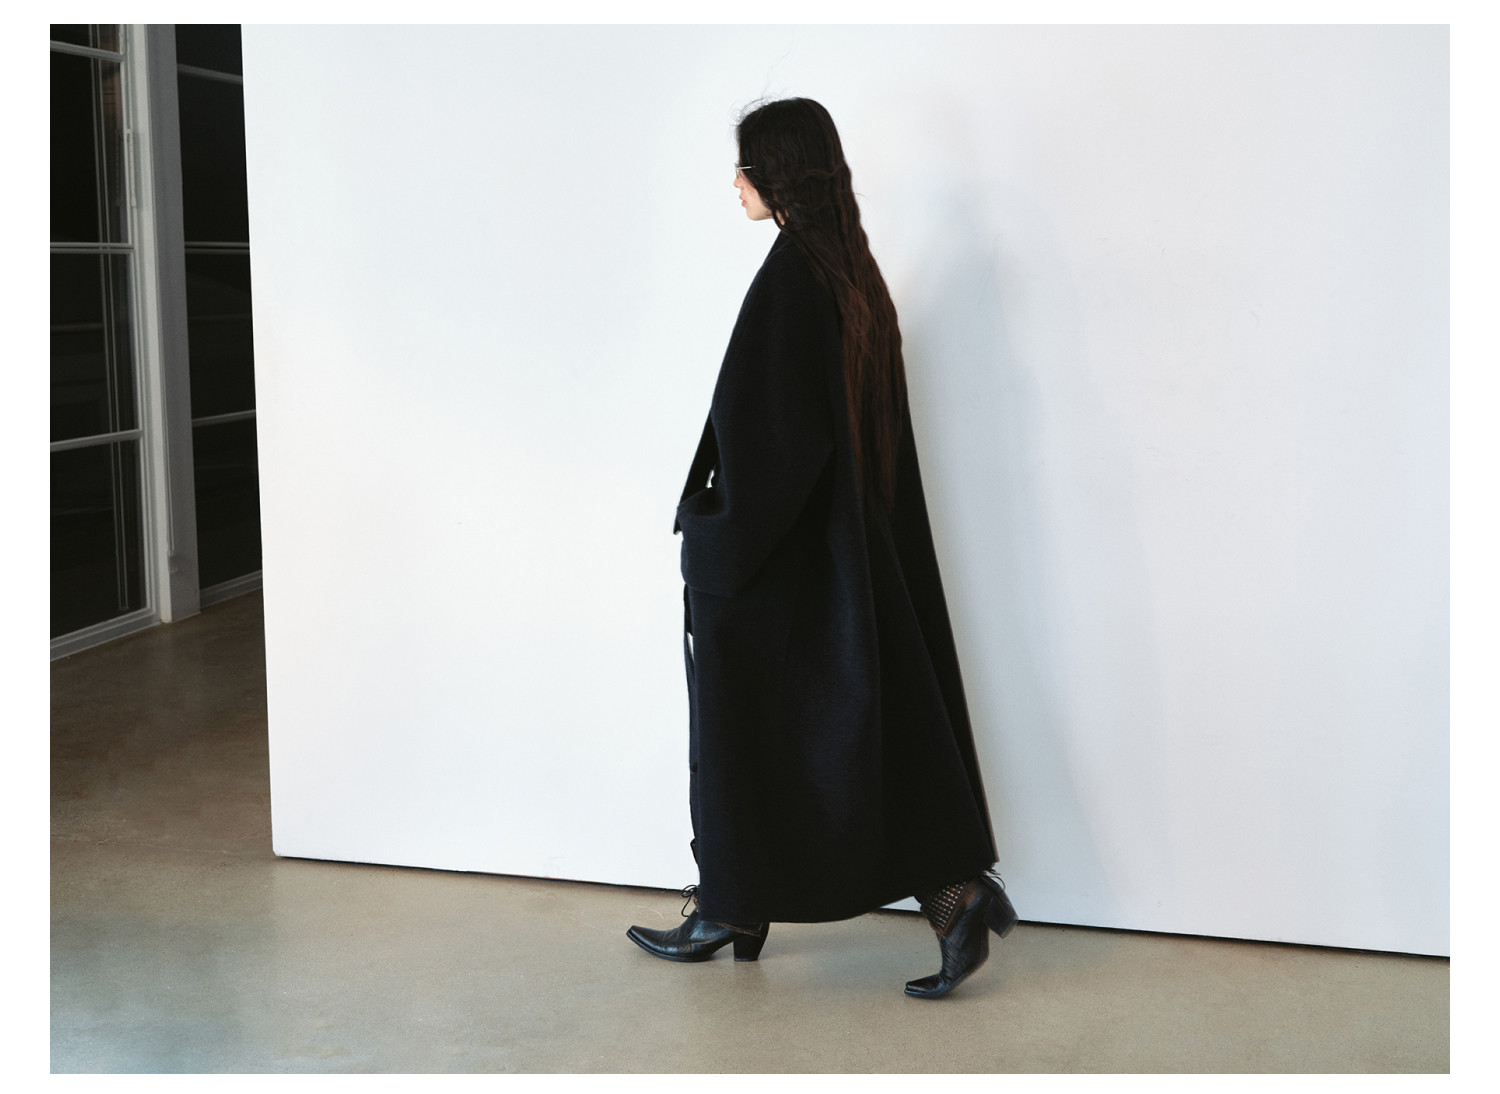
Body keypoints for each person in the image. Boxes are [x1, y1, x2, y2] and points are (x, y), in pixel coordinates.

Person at [626, 97, 1016, 999]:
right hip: (840, 560)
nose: (736, 182)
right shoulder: (848, 276)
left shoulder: (795, 282)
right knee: (854, 730)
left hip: (781, 568)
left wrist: (710, 537)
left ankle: (741, 907)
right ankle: (912, 900)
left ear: (780, 176)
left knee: (757, 735)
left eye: (747, 166)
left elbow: (770, 446)